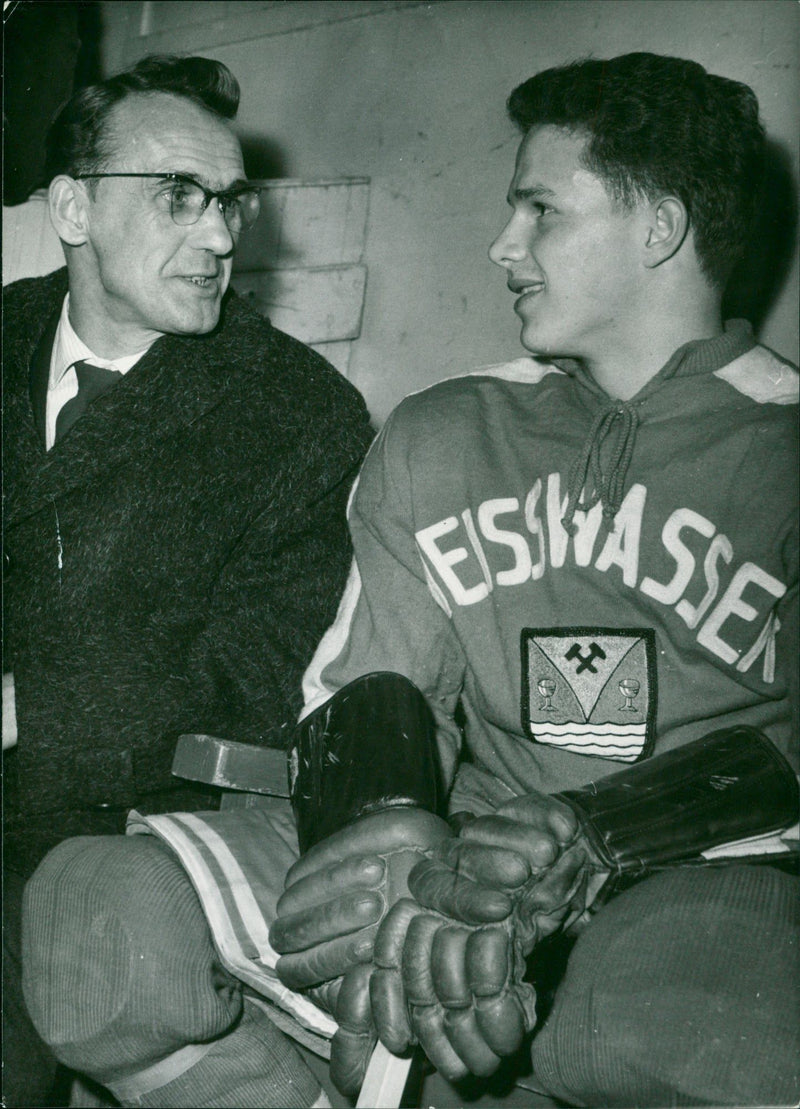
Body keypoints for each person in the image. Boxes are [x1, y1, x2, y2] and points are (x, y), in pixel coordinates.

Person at [23, 51, 798, 1109]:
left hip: (692, 870)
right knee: (95, 923)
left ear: (655, 227)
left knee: (681, 1022)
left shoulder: (779, 447)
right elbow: (368, 686)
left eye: (538, 209)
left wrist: (607, 831)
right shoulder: (445, 429)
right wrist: (380, 844)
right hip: (452, 850)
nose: (499, 244)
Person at [3, 53, 371, 1108]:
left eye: (228, 201)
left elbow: (250, 678)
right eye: (178, 196)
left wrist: (33, 704)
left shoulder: (298, 414)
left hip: (88, 817)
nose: (217, 236)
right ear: (73, 206)